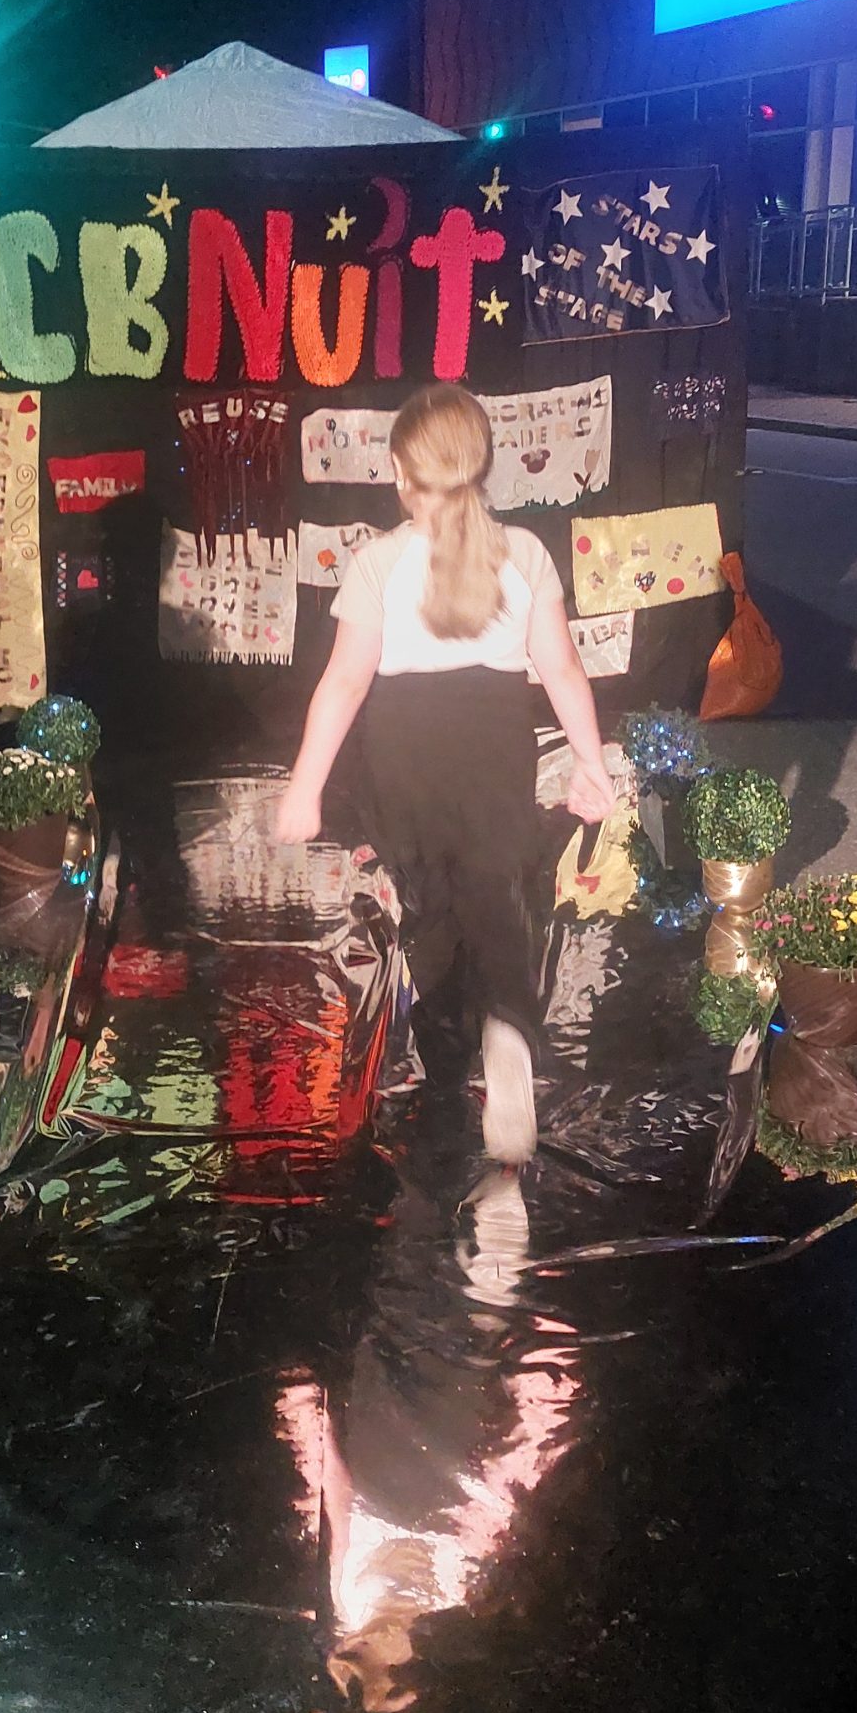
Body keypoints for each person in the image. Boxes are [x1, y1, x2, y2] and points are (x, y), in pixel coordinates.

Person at [274, 384, 616, 1167]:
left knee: (429, 910)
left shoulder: (379, 562)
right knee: (497, 894)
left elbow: (344, 684)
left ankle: (448, 1060)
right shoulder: (525, 553)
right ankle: (508, 1032)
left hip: (405, 756)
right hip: (494, 747)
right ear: (481, 466)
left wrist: (305, 786)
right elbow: (564, 671)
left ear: (401, 473)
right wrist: (590, 765)